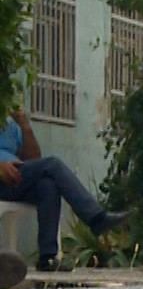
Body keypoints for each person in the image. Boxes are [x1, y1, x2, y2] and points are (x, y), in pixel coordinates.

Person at [0, 107, 128, 272]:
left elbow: (33, 159)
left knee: (47, 186)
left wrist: (25, 127)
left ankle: (48, 257)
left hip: (15, 179)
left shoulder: (10, 124)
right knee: (52, 164)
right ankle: (95, 218)